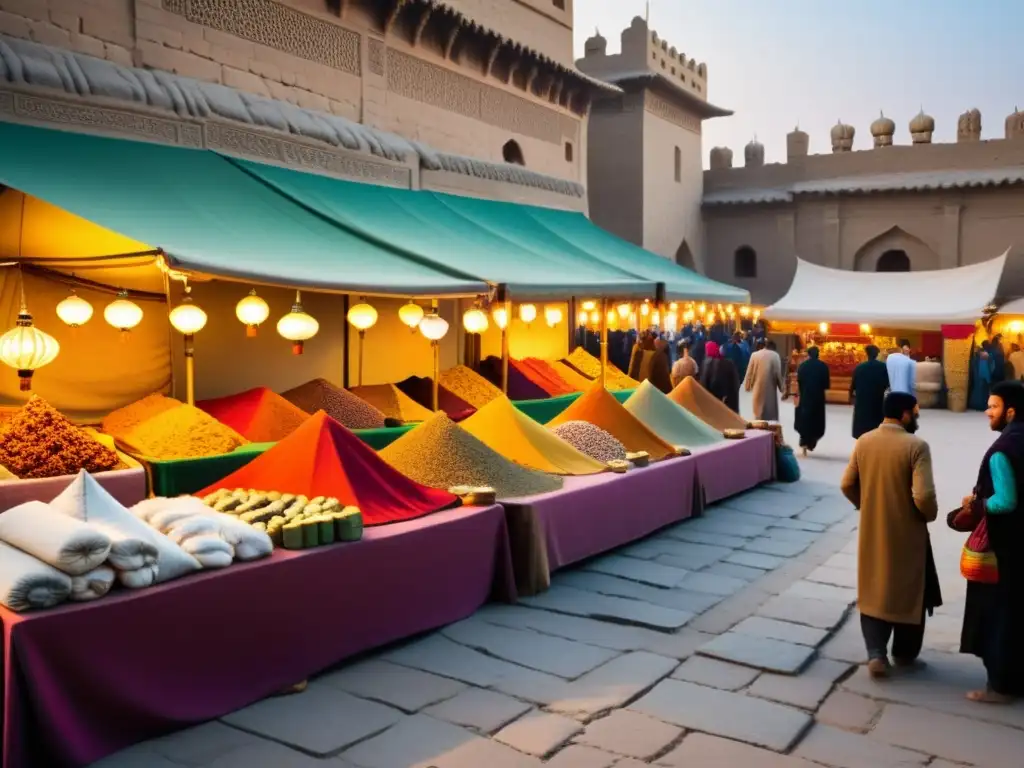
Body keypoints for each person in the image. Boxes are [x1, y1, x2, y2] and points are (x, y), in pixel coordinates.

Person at [842, 391, 940, 679]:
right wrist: (929, 514)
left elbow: (847, 484)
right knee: (910, 588)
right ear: (905, 414)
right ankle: (904, 653)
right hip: (908, 530)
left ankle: (876, 653)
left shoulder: (865, 441)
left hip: (872, 528)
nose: (917, 417)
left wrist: (866, 504)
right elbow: (923, 496)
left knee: (874, 585)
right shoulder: (916, 446)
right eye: (915, 412)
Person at [949, 380, 1024, 703]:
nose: (986, 412)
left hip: (1005, 546)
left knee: (999, 614)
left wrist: (976, 505)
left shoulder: (1003, 450)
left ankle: (1000, 687)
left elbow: (1006, 501)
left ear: (1010, 411)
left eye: (992, 406)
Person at [794, 346, 830, 456]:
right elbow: (826, 385)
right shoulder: (823, 366)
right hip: (818, 398)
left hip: (805, 397)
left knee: (804, 421)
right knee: (816, 422)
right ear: (818, 354)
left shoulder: (803, 366)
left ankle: (804, 443)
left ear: (808, 354)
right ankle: (811, 443)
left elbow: (799, 382)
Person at [850, 345, 891, 438]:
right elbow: (887, 384)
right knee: (876, 428)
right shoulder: (883, 367)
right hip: (877, 401)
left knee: (862, 429)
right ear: (877, 354)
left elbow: (853, 385)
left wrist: (852, 397)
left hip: (862, 402)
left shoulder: (859, 367)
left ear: (866, 354)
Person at [743, 338, 784, 421]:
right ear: (773, 348)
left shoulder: (754, 355)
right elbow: (778, 374)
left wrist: (747, 386)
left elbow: (749, 372)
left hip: (757, 388)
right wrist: (782, 388)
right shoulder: (775, 355)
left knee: (758, 414)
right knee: (769, 416)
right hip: (770, 389)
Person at [700, 341, 741, 412]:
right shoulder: (728, 363)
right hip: (728, 402)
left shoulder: (706, 364)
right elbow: (735, 384)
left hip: (712, 404)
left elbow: (705, 384)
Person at [969, 342, 993, 412]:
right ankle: (982, 405)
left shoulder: (976, 358)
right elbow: (988, 367)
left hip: (978, 376)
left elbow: (974, 367)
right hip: (984, 376)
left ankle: (976, 404)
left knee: (978, 390)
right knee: (984, 391)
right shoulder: (987, 355)